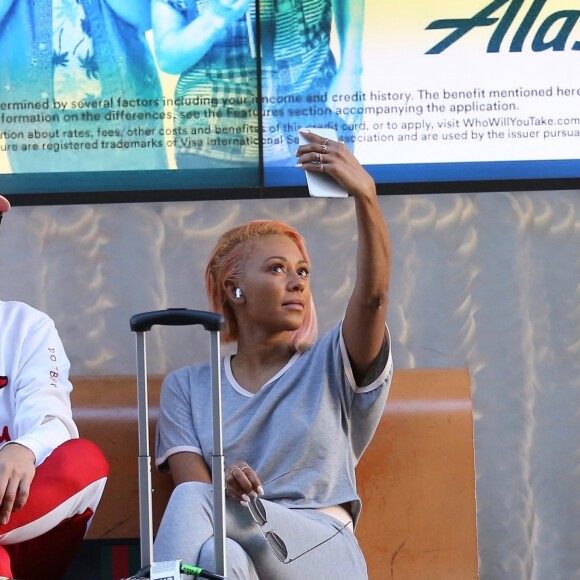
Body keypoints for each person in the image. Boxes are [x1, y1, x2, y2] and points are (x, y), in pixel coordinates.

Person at [153, 130, 392, 579]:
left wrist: (367, 196)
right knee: (218, 558)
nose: (297, 281)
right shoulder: (187, 388)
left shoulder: (332, 361)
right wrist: (225, 487)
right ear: (234, 288)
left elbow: (373, 299)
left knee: (197, 512)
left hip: (323, 549)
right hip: (242, 544)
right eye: (277, 269)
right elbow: (198, 496)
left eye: (302, 271)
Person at [0, 195, 109, 580]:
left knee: (83, 459)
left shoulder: (24, 324)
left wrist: (22, 447)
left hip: (20, 525)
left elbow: (54, 422)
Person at [151, 0, 363, 169]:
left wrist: (350, 69)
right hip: (215, 133)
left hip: (314, 102)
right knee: (215, 220)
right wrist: (215, 17)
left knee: (328, 215)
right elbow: (168, 59)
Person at [0, 0, 167, 174]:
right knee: (47, 199)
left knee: (139, 197)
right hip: (33, 119)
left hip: (125, 113)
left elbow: (145, 17)